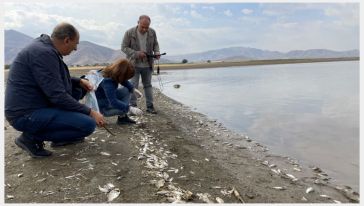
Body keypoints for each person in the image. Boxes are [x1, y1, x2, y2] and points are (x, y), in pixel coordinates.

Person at [5, 22, 105, 158]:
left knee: (76, 90)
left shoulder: (44, 48)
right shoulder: (43, 53)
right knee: (87, 124)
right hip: (25, 114)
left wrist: (79, 81)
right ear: (67, 40)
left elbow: (52, 78)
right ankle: (30, 138)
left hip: (33, 106)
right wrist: (91, 112)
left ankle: (58, 137)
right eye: (75, 44)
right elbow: (57, 96)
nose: (75, 49)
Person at [122, 15, 160, 114]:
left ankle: (150, 107)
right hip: (133, 65)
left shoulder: (152, 32)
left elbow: (156, 44)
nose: (144, 29)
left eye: (146, 27)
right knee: (133, 86)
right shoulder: (129, 32)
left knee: (148, 85)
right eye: (142, 26)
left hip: (148, 65)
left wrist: (156, 52)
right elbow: (124, 47)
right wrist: (136, 53)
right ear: (137, 22)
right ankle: (133, 107)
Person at [94, 58, 143, 124]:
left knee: (126, 89)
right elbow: (113, 102)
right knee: (124, 109)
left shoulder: (111, 71)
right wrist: (130, 109)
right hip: (103, 108)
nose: (126, 79)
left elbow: (123, 81)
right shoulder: (108, 82)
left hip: (106, 98)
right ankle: (123, 115)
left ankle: (122, 118)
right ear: (121, 74)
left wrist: (133, 89)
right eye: (126, 77)